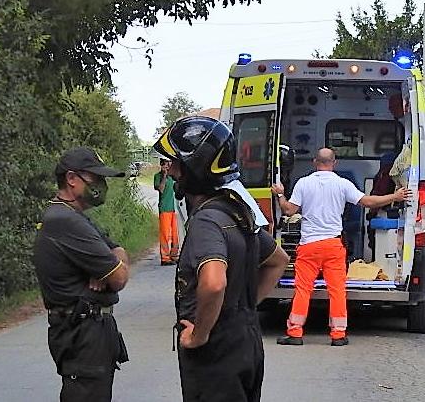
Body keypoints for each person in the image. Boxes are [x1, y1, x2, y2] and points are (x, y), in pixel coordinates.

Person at [153, 116, 289, 402]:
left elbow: (214, 283)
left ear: (196, 167)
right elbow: (278, 260)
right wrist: (244, 307)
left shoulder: (206, 222)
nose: (172, 171)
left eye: (176, 163)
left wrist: (200, 333)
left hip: (216, 350)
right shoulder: (237, 211)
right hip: (246, 339)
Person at [272, 148, 411, 347]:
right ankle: (338, 335)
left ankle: (295, 333)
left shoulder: (303, 183)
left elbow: (288, 210)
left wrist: (280, 195)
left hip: (309, 246)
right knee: (337, 290)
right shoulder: (342, 184)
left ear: (314, 162)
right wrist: (394, 197)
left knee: (303, 290)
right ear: (334, 163)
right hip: (333, 246)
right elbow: (367, 202)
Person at [33, 147, 130, 402]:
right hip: (82, 335)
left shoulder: (74, 217)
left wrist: (110, 263)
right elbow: (119, 277)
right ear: (72, 179)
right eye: (95, 178)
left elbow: (117, 250)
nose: (100, 184)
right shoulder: (66, 221)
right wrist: (110, 266)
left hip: (89, 333)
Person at [155, 158, 180, 265]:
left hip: (174, 209)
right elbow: (161, 189)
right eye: (166, 164)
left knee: (175, 234)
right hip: (165, 208)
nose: (168, 166)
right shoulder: (158, 176)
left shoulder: (173, 176)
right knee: (165, 234)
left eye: (169, 163)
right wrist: (164, 176)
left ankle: (174, 255)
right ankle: (165, 258)